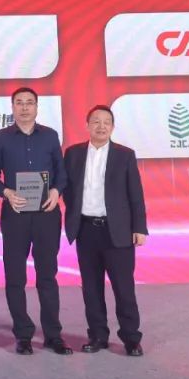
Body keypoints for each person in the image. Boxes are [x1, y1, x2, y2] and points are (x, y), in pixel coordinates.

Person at [0, 87, 72, 356]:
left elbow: (61, 173)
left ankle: (53, 335)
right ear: (12, 107)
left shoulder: (50, 136)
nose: (24, 107)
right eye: (19, 103)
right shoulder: (0, 138)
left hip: (47, 213)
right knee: (15, 277)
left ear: (37, 107)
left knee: (47, 275)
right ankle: (23, 335)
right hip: (15, 215)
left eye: (29, 103)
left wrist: (56, 191)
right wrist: (6, 192)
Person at [63, 104, 148, 357]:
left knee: (124, 288)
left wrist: (139, 227)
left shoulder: (125, 155)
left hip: (117, 231)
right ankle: (98, 335)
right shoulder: (73, 154)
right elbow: (67, 188)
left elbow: (136, 195)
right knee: (91, 288)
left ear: (112, 127)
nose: (101, 126)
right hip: (86, 230)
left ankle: (131, 338)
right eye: (96, 121)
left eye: (106, 122)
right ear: (87, 125)